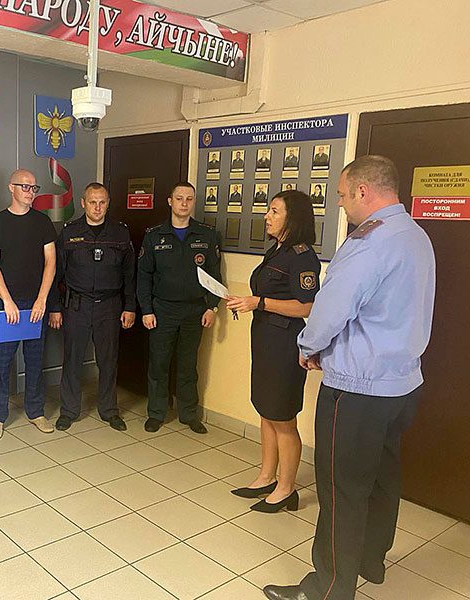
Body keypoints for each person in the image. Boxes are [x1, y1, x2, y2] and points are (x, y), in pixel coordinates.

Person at [263, 156, 436, 600]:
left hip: (357, 390)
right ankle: (370, 562)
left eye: (341, 195)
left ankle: (328, 588)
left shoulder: (367, 243)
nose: (340, 204)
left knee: (342, 489)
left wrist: (308, 347)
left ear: (363, 191)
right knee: (381, 478)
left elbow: (330, 309)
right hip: (402, 385)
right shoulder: (415, 235)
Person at [226, 190, 320, 514]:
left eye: (275, 211)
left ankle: (286, 489)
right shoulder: (276, 250)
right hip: (265, 339)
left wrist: (260, 302)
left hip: (285, 344)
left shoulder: (302, 256)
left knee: (283, 418)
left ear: (293, 218)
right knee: (266, 410)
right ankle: (266, 477)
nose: (267, 216)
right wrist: (249, 302)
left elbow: (307, 306)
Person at [48, 183, 136, 431]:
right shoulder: (69, 232)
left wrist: (130, 306)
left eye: (102, 202)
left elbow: (130, 274)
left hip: (109, 306)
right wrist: (54, 307)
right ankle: (69, 410)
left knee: (108, 361)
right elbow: (55, 273)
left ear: (108, 203)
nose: (97, 207)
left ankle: (109, 410)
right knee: (72, 360)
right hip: (77, 305)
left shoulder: (120, 233)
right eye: (92, 202)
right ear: (83, 203)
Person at [137, 181, 221, 434]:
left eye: (189, 199)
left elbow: (215, 275)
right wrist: (147, 310)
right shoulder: (154, 235)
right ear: (170, 201)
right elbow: (143, 276)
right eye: (179, 198)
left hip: (195, 311)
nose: (184, 203)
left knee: (188, 365)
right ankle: (156, 413)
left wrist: (212, 307)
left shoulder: (206, 235)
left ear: (193, 202)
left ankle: (188, 414)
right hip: (163, 310)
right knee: (159, 364)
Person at [0, 169, 57, 440]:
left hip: (36, 305)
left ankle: (36, 411)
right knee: (2, 363)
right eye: (24, 186)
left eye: (34, 187)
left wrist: (42, 299)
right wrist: (7, 301)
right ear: (10, 188)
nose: (30, 192)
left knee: (35, 361)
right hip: (8, 307)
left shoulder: (42, 222)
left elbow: (51, 262)